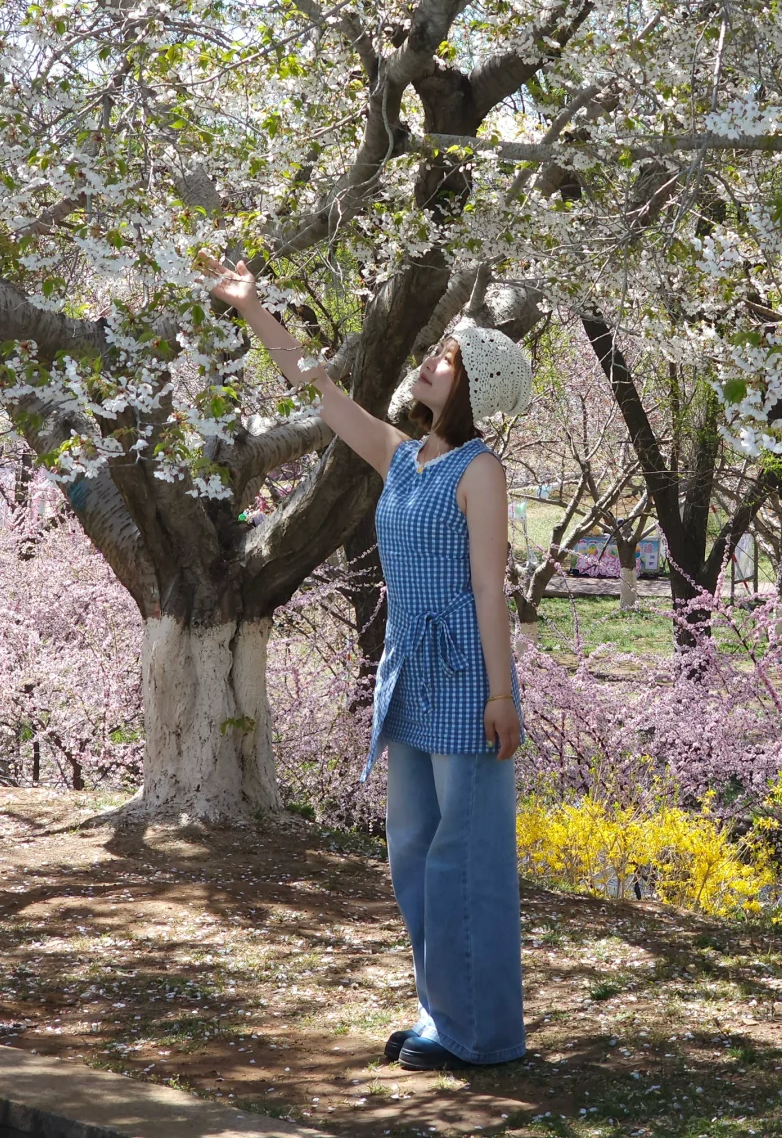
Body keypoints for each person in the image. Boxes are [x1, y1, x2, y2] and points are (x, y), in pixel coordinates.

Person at [202, 256, 531, 1072]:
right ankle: (440, 1011)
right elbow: (319, 390)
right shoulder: (404, 456)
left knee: (464, 856)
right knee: (411, 849)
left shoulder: (480, 470)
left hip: (468, 677)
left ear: (472, 388)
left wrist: (502, 695)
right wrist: (253, 307)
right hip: (408, 671)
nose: (431, 362)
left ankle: (480, 1035)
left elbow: (489, 589)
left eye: (447, 359)